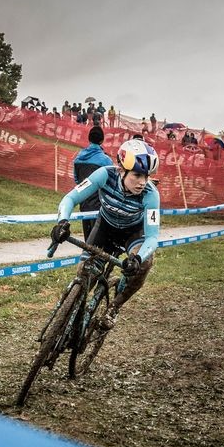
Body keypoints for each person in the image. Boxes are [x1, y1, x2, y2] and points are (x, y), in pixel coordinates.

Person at [50, 139, 161, 328]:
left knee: (145, 264)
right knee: (85, 276)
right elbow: (70, 198)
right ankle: (73, 314)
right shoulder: (104, 175)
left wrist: (138, 258)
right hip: (105, 228)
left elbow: (152, 237)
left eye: (147, 176)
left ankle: (114, 307)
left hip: (132, 234)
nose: (143, 182)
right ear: (121, 169)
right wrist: (62, 222)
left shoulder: (151, 194)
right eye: (137, 175)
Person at [71, 125, 115, 238]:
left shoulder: (78, 157)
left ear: (89, 139)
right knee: (99, 240)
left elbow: (76, 179)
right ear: (102, 140)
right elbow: (112, 182)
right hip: (100, 205)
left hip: (84, 202)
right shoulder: (106, 160)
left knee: (88, 239)